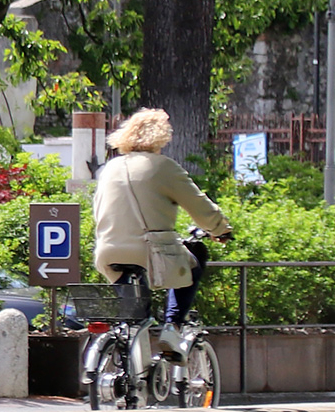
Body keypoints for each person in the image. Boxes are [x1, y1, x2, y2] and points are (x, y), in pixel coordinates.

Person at [90, 107, 234, 331]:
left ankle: (125, 349)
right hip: (148, 251)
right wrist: (220, 229)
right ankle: (173, 327)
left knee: (135, 321)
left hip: (107, 252)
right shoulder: (163, 167)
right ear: (162, 136)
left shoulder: (109, 168)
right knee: (196, 255)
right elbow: (199, 205)